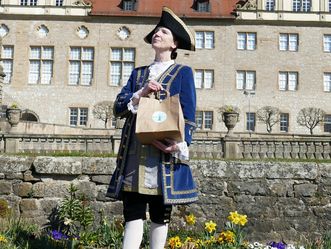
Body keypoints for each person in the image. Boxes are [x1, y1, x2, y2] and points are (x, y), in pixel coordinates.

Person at [107, 7, 198, 249]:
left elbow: (189, 115)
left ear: (174, 44)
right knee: (133, 210)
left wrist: (179, 145)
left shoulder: (183, 73)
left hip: (163, 154)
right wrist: (141, 93)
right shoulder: (138, 74)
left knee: (160, 212)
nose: (157, 34)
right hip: (134, 152)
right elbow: (118, 108)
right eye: (156, 31)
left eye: (164, 31)